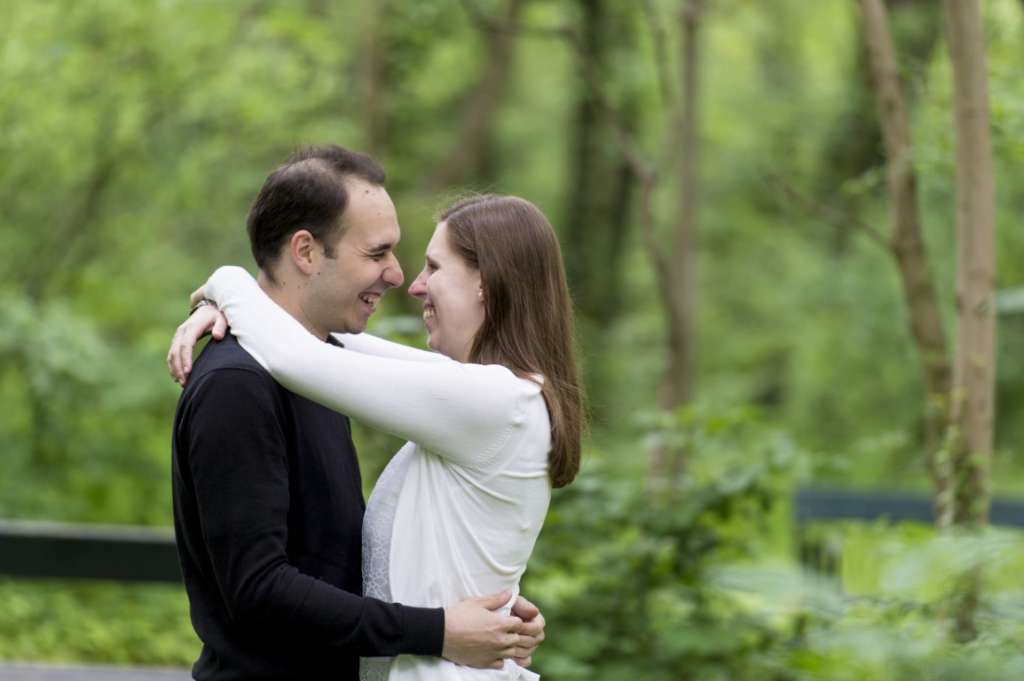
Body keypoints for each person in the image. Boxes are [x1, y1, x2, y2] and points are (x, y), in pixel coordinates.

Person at [168, 146, 546, 681]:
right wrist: (437, 626)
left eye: (427, 265)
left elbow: (337, 560)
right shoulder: (240, 384)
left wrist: (476, 605)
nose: (400, 277)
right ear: (305, 251)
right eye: (377, 253)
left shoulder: (320, 372)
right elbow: (257, 588)